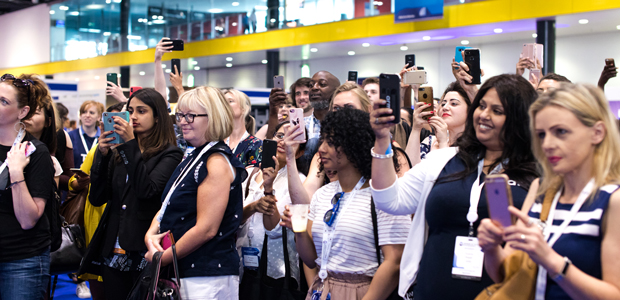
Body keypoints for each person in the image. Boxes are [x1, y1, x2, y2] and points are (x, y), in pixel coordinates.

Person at [370, 74, 540, 299]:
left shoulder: (536, 175)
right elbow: (389, 200)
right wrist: (382, 142)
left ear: (519, 119)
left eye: (497, 111)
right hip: (432, 290)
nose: (484, 115)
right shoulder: (444, 159)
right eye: (481, 106)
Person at [478, 83, 620, 299]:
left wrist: (552, 262)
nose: (548, 144)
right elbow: (505, 274)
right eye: (542, 135)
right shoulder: (541, 190)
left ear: (597, 133)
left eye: (560, 132)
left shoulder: (612, 200)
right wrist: (491, 247)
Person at [280, 108, 410, 300]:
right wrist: (298, 231)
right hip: (322, 289)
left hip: (365, 291)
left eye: (332, 142)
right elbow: (310, 259)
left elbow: (395, 263)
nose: (322, 148)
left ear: (354, 145)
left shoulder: (383, 196)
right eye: (323, 140)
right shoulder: (322, 195)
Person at [144, 86, 247, 299]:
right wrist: (150, 235)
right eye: (180, 115)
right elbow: (168, 204)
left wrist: (162, 257)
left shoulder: (215, 161)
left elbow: (207, 228)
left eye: (190, 116)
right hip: (185, 268)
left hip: (206, 274)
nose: (182, 121)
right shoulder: (195, 156)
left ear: (214, 117)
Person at [82, 88, 183, 300]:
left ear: (157, 117)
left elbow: (147, 191)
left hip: (143, 249)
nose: (133, 116)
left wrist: (128, 145)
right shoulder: (121, 152)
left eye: (141, 111)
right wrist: (102, 155)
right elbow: (97, 197)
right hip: (113, 250)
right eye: (130, 110)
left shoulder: (170, 154)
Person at [0, 73, 55, 299]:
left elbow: (28, 219)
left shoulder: (35, 151)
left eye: (3, 101)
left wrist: (16, 172)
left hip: (21, 260)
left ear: (22, 112)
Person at [237, 122, 308, 291]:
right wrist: (253, 207)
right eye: (280, 136)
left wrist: (269, 188)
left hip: (276, 273)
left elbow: (274, 230)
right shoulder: (249, 174)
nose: (284, 142)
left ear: (300, 152)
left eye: (292, 139)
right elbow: (234, 218)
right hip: (243, 267)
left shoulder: (299, 183)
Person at [72, 102, 124, 300]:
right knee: (98, 283)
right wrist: (78, 182)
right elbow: (76, 182)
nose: (111, 126)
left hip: (122, 226)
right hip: (96, 219)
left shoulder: (136, 150)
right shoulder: (96, 150)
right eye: (108, 121)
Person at [406, 81, 471, 165]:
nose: (445, 108)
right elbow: (409, 170)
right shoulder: (430, 141)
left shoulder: (472, 147)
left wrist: (443, 143)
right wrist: (416, 129)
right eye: (443, 104)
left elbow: (449, 174)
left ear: (470, 110)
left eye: (454, 103)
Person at [224, 88, 262, 167]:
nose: (224, 105)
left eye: (230, 101)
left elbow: (254, 178)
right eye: (222, 102)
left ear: (244, 108)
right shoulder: (215, 142)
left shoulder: (256, 144)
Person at [68, 100, 104, 167]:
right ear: (80, 115)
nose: (87, 115)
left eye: (92, 113)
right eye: (84, 112)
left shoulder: (103, 137)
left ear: (98, 117)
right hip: (75, 176)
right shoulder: (70, 136)